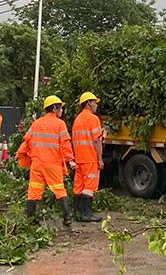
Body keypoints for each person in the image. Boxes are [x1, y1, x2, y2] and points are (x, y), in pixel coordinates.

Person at [19, 95, 76, 227]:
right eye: (61, 108)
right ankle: (67, 217)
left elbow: (27, 141)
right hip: (52, 164)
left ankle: (30, 219)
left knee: (34, 191)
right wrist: (70, 160)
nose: (62, 110)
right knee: (59, 190)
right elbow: (65, 144)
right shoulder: (60, 124)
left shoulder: (36, 123)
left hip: (37, 164)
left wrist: (21, 155)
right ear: (55, 108)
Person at [71, 91, 104, 223]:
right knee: (89, 187)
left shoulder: (77, 119)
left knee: (79, 186)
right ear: (89, 103)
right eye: (95, 102)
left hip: (79, 158)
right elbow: (96, 141)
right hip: (90, 157)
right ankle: (87, 214)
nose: (96, 105)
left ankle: (77, 213)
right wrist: (100, 159)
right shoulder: (93, 119)